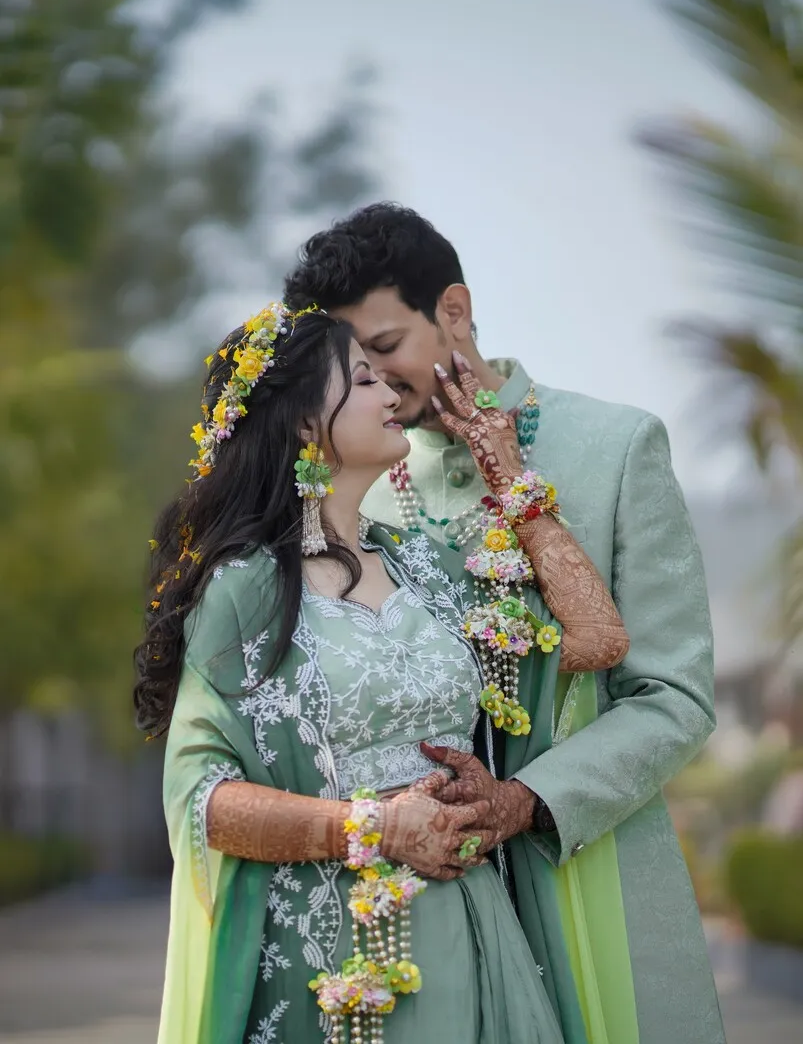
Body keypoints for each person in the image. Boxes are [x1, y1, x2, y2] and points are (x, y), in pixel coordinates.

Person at [283, 203, 727, 1044]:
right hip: (417, 905)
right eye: (348, 366)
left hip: (587, 864)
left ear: (453, 310)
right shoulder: (362, 481)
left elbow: (674, 694)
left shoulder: (613, 447)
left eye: (380, 350)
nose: (369, 382)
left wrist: (525, 800)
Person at [134, 304, 629, 1044]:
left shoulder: (424, 568)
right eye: (364, 379)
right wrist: (372, 828)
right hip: (327, 958)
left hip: (467, 934)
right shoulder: (245, 588)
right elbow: (201, 800)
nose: (392, 395)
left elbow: (597, 635)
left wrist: (509, 478)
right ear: (306, 423)